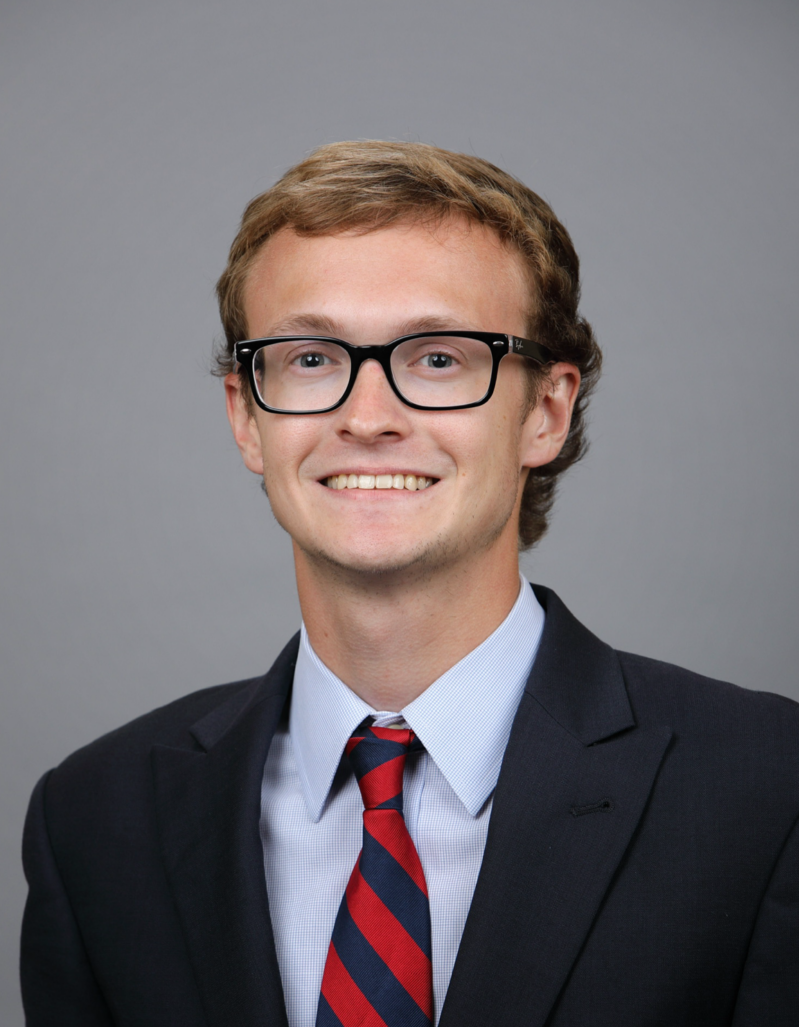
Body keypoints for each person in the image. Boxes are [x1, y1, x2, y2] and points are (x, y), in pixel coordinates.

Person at [21, 141, 799, 1027]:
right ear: (246, 416)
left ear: (543, 412)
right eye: (311, 358)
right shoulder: (95, 816)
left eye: (437, 358)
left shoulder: (768, 789)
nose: (368, 417)